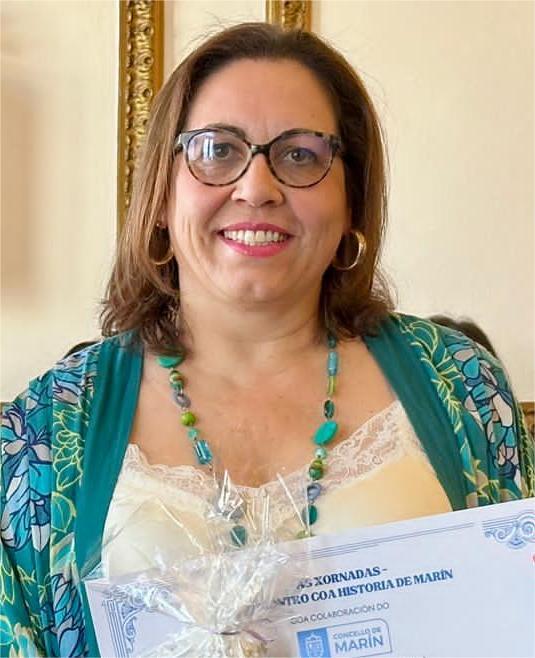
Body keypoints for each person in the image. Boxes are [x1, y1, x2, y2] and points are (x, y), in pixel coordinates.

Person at [1, 22, 533, 657]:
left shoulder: (463, 385)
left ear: (352, 200)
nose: (256, 188)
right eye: (217, 150)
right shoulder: (46, 427)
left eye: (301, 154)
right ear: (162, 196)